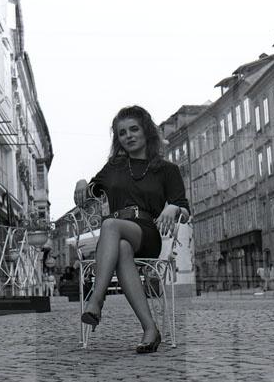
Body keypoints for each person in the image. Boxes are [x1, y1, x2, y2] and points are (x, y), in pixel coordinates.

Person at [74, 105, 190, 354]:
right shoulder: (113, 167)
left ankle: (96, 300)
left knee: (110, 224)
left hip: (146, 233)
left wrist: (173, 207)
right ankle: (150, 330)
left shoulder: (167, 170)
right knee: (122, 247)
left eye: (134, 129)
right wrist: (82, 182)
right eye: (122, 132)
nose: (128, 136)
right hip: (115, 239)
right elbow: (86, 197)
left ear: (146, 131)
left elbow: (184, 210)